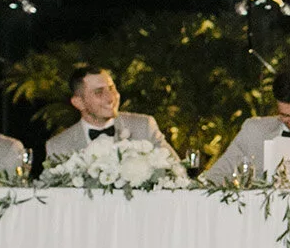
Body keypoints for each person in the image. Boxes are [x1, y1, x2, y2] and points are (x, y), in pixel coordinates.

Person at [41, 65, 184, 173]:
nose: (111, 98)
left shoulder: (144, 127)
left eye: (111, 88)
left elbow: (178, 172)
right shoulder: (59, 147)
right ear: (79, 103)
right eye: (99, 92)